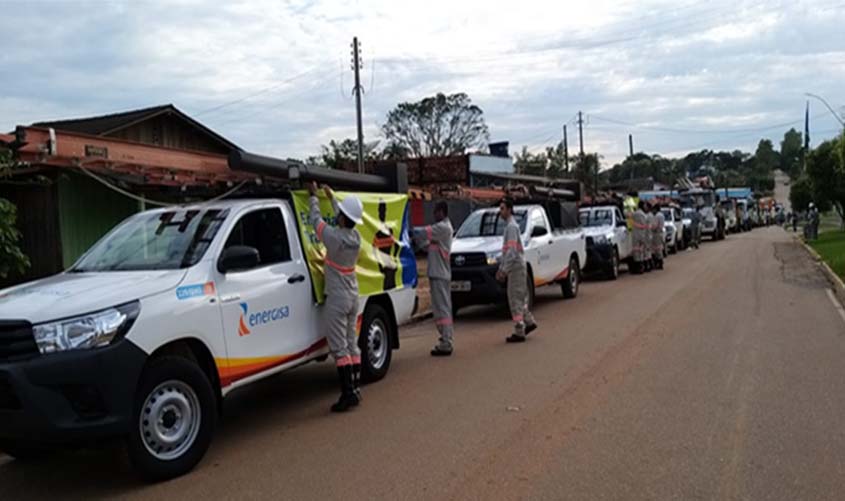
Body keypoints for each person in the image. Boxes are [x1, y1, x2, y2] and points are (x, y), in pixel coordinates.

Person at [308, 181, 364, 413]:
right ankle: (356, 388)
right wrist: (332, 198)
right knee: (352, 343)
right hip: (353, 295)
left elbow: (315, 221)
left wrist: (313, 197)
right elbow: (342, 218)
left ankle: (347, 394)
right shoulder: (356, 237)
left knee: (339, 348)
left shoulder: (333, 238)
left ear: (342, 218)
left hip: (338, 298)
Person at [412, 201, 455, 356]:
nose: (434, 215)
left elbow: (424, 232)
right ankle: (445, 339)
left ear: (442, 212)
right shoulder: (440, 232)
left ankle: (446, 341)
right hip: (438, 274)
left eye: (436, 212)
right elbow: (426, 245)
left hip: (440, 274)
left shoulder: (443, 228)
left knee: (442, 308)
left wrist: (409, 231)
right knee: (440, 308)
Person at [495, 197, 537, 343]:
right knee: (517, 297)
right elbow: (507, 252)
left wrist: (503, 270)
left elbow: (512, 252)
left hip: (516, 268)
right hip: (515, 267)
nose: (500, 212)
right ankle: (529, 322)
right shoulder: (509, 227)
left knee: (514, 299)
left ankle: (520, 330)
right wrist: (502, 268)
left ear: (509, 210)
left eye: (502, 208)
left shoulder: (511, 227)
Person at [373, 199, 401, 291]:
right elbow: (374, 250)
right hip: (385, 266)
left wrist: (394, 258)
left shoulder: (389, 230)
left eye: (383, 210)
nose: (382, 213)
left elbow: (397, 245)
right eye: (381, 210)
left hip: (389, 266)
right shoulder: (377, 233)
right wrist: (380, 265)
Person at [631, 201, 649, 274]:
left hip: (635, 234)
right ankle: (642, 267)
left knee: (636, 250)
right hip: (642, 234)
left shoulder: (635, 214)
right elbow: (644, 225)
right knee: (642, 250)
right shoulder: (643, 215)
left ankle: (638, 267)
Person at [651, 204, 665, 269]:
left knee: (657, 249)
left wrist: (651, 228)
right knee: (659, 248)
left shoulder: (657, 216)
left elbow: (655, 225)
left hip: (656, 233)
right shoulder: (661, 215)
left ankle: (659, 262)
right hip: (660, 232)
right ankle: (660, 262)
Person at [643, 202, 655, 272]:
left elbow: (649, 226)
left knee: (647, 250)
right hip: (649, 234)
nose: (645, 208)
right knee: (649, 250)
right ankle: (650, 264)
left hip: (648, 234)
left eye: (646, 206)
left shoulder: (648, 216)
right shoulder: (650, 215)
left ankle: (648, 265)